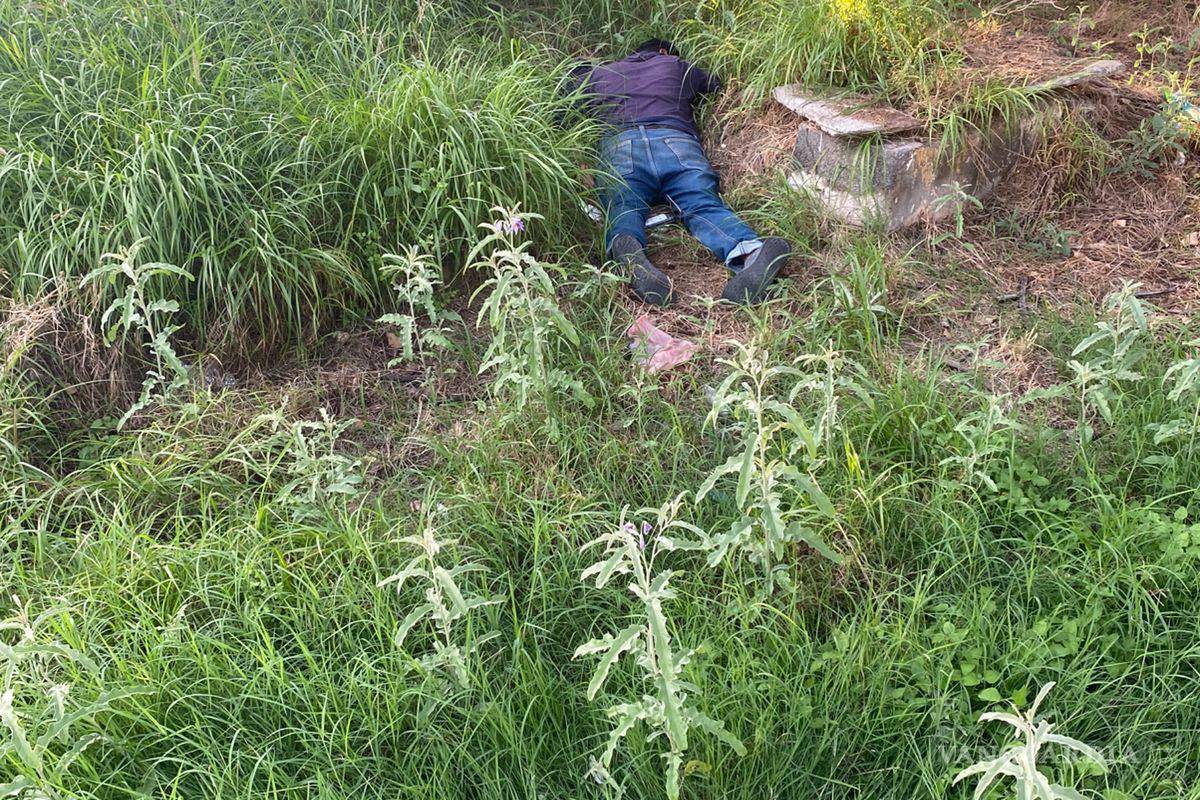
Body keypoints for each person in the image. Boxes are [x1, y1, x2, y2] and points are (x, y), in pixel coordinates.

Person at [565, 38, 791, 306]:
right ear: (663, 52)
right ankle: (750, 251)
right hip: (675, 140)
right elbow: (715, 84)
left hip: (620, 144)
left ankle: (629, 252)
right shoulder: (676, 65)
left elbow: (564, 104)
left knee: (623, 207)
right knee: (701, 204)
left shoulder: (601, 73)